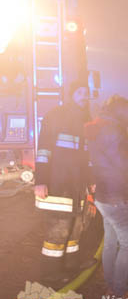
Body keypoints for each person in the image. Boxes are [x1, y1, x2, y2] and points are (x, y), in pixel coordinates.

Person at [85, 95, 128, 296]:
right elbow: (123, 162)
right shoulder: (112, 130)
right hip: (118, 195)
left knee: (111, 242)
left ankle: (110, 284)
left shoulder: (100, 126)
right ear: (120, 111)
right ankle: (119, 289)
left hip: (105, 194)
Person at [35, 80, 94, 284]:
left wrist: (90, 181)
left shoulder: (85, 120)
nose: (84, 96)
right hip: (57, 185)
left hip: (76, 187)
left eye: (86, 92)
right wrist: (40, 181)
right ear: (71, 95)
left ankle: (71, 266)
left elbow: (85, 156)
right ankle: (50, 274)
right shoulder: (56, 115)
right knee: (58, 231)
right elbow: (43, 149)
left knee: (76, 228)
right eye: (80, 92)